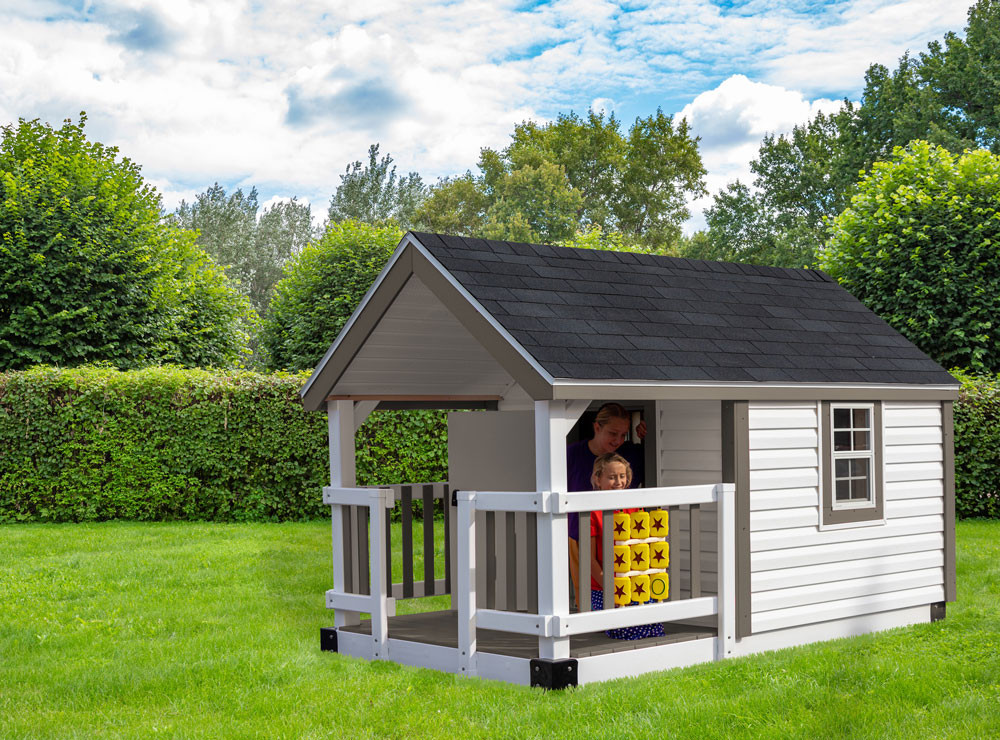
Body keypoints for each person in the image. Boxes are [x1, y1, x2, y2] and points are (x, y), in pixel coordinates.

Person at [578, 453, 664, 640]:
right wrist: (611, 587)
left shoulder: (634, 508)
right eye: (611, 477)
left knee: (652, 620)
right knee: (629, 627)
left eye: (622, 476)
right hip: (605, 588)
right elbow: (589, 559)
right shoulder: (593, 512)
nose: (619, 481)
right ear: (598, 480)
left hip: (634, 582)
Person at [567, 402, 645, 594]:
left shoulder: (631, 455)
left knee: (626, 594)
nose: (618, 440)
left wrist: (647, 434)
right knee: (588, 597)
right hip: (581, 536)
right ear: (597, 427)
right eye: (612, 433)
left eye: (623, 435)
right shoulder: (571, 454)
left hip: (622, 536)